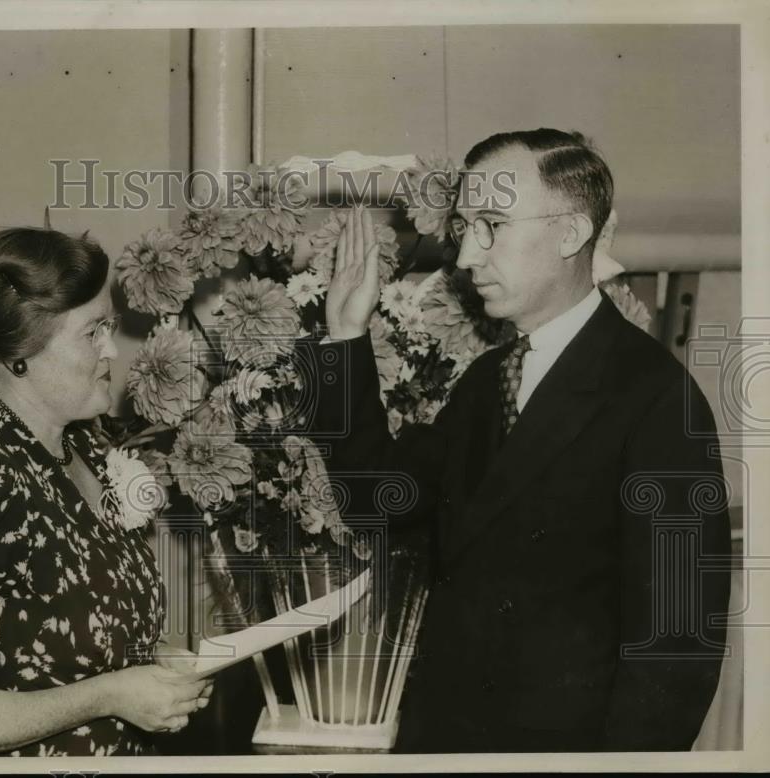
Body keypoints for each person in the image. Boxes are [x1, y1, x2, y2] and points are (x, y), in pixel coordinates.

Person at [310, 129, 731, 752]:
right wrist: (347, 337)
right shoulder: (489, 380)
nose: (465, 258)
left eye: (492, 225)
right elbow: (378, 499)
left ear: (571, 233)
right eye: (464, 227)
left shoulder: (656, 398)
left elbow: (676, 647)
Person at [0, 228, 211, 757]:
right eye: (93, 332)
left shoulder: (78, 446)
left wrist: (154, 668)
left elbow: (60, 641)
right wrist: (110, 695)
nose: (112, 348)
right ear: (20, 351)